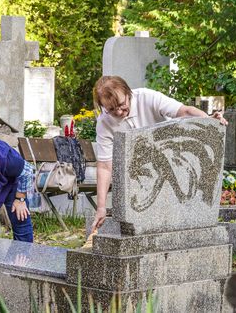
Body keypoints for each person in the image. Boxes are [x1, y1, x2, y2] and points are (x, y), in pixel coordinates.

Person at [90, 76, 228, 231]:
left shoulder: (146, 97)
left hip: (169, 159)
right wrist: (101, 207)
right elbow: (105, 167)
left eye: (122, 105)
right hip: (138, 174)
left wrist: (209, 121)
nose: (120, 112)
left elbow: (184, 111)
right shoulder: (104, 122)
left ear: (128, 93)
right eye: (112, 110)